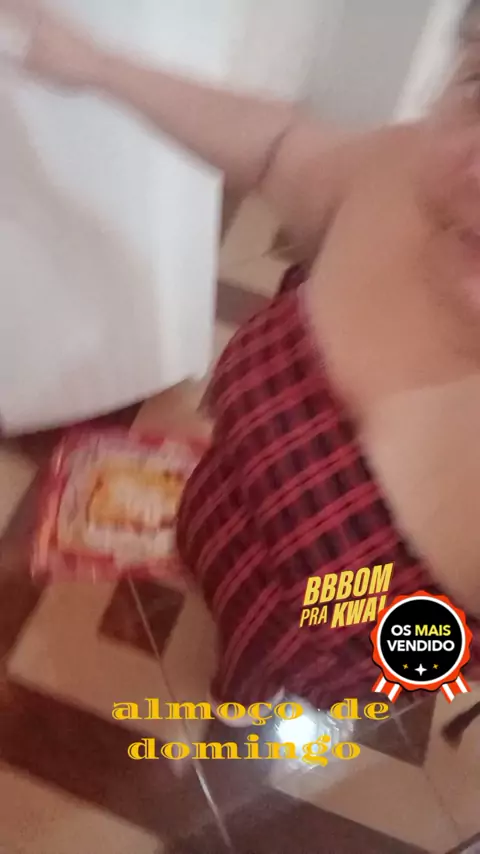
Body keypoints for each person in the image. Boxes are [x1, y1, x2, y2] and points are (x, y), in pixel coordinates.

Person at [2, 0, 480, 713]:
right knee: (209, 551)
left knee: (263, 679)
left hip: (341, 631)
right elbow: (276, 148)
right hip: (220, 503)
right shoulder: (405, 176)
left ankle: (250, 696)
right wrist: (97, 66)